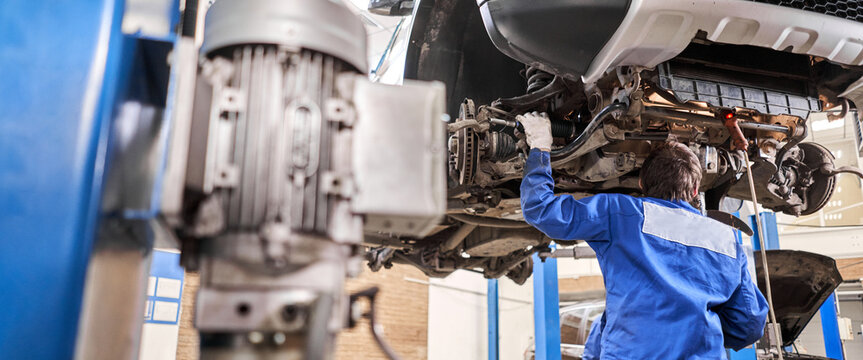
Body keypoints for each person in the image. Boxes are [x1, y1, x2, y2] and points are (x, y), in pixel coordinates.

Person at [517, 111, 769, 359]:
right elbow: (748, 326)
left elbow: (541, 209)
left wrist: (540, 147)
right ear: (694, 190)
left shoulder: (619, 213)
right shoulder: (726, 239)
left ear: (641, 184)